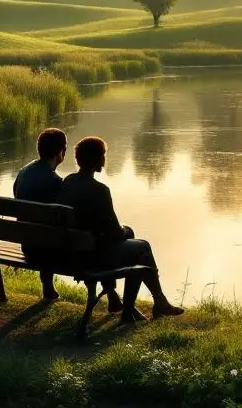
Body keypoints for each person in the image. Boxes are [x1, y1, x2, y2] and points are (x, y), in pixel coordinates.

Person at [58, 136, 184, 324]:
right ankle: (153, 305)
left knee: (134, 244)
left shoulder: (67, 182)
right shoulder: (100, 190)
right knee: (142, 247)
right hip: (93, 258)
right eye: (103, 155)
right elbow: (116, 233)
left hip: (71, 255)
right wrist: (125, 231)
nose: (104, 159)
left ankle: (136, 307)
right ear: (98, 160)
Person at [13, 129, 121, 311]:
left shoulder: (24, 172)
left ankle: (49, 287)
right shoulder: (55, 183)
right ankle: (111, 295)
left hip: (28, 242)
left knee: (55, 232)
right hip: (46, 249)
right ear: (61, 152)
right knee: (89, 237)